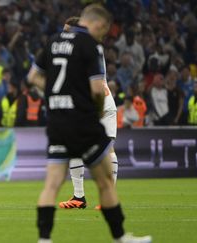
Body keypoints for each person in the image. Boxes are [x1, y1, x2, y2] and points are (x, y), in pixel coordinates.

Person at [27, 4, 151, 243]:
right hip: (83, 118)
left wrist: (55, 93)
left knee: (51, 184)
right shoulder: (89, 45)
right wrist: (91, 109)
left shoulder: (52, 42)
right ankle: (120, 237)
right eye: (103, 29)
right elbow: (97, 89)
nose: (103, 34)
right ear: (97, 24)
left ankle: (44, 239)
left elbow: (32, 77)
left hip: (58, 119)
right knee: (104, 180)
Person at [58, 16, 120, 210]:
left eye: (67, 29)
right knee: (108, 149)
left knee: (80, 146)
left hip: (95, 102)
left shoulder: (79, 48)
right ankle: (102, 198)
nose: (64, 33)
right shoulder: (92, 46)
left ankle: (82, 197)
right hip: (105, 99)